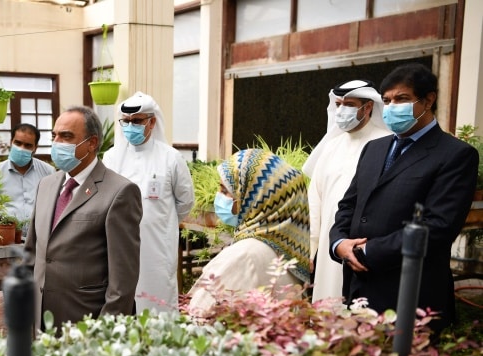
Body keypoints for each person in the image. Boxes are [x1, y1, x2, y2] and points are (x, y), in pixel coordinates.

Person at [329, 63, 478, 333]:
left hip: (411, 295)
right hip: (357, 289)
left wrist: (368, 251)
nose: (392, 107)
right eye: (387, 101)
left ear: (428, 99)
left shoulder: (455, 155)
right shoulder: (373, 149)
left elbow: (437, 227)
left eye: (402, 99)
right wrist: (339, 243)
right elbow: (349, 205)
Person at [23, 105, 143, 332]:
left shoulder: (120, 192)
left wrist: (104, 332)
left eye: (67, 137)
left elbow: (123, 282)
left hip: (86, 323)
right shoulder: (47, 185)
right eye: (55, 136)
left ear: (92, 143)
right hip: (40, 321)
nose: (57, 143)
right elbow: (32, 254)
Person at [103, 92, 194, 313]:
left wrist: (163, 222)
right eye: (126, 121)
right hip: (118, 246)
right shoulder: (111, 158)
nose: (130, 126)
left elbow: (185, 201)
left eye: (137, 121)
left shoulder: (171, 158)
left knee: (158, 304)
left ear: (152, 122)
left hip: (157, 248)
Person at [188, 148, 311, 311]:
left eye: (225, 191)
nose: (218, 197)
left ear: (256, 200)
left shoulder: (244, 256)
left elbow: (199, 314)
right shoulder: (290, 256)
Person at [303, 79, 390, 303]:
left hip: (366, 246)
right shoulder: (331, 146)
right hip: (329, 246)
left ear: (368, 107)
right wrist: (310, 249)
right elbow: (314, 201)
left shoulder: (386, 143)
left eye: (349, 104)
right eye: (339, 104)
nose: (341, 110)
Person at [0, 123, 55, 235]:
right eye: (18, 143)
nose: (21, 149)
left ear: (35, 148)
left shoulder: (48, 172)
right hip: (6, 239)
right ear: (11, 142)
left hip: (39, 238)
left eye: (28, 145)